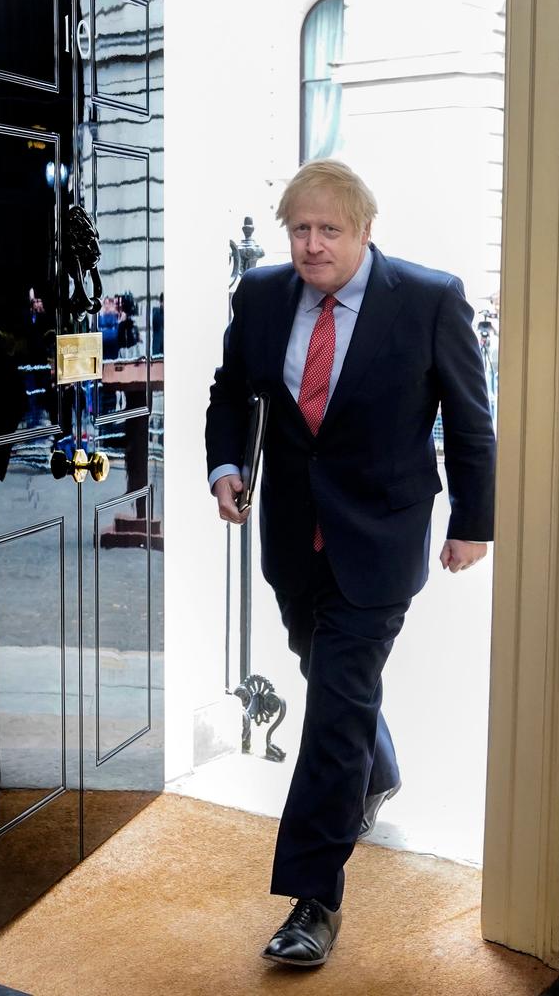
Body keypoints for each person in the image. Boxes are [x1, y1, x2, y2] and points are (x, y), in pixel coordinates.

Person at [205, 159, 496, 968]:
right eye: (299, 229)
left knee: (333, 708)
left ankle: (313, 900)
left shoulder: (430, 300)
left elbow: (471, 423)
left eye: (329, 229)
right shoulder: (263, 295)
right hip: (295, 538)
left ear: (366, 231)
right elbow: (229, 393)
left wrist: (474, 521)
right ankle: (380, 768)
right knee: (331, 679)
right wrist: (227, 467)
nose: (311, 244)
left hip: (382, 535)